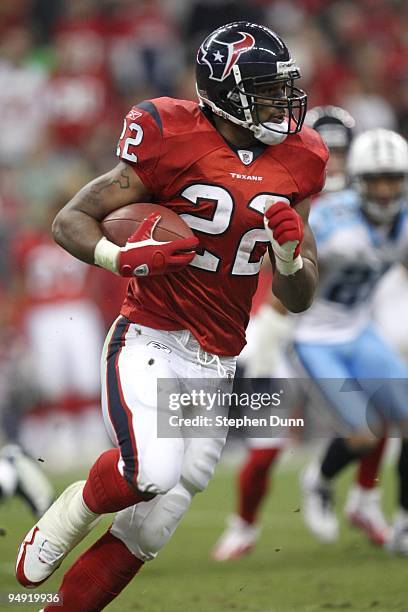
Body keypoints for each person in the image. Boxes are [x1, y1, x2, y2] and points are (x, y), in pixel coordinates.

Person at [15, 22, 327, 610]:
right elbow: (70, 221)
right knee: (150, 469)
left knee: (150, 528)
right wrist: (121, 256)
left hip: (219, 360)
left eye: (283, 89)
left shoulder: (301, 158)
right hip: (150, 335)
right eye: (265, 91)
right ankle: (70, 510)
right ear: (225, 92)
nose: (281, 104)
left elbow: (301, 294)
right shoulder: (169, 132)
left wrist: (288, 256)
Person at [212, 105, 389, 561]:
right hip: (288, 327)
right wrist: (267, 333)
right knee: (269, 444)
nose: (337, 167)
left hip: (343, 326)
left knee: (381, 409)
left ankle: (366, 501)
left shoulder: (372, 206)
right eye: (328, 156)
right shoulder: (290, 195)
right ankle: (244, 526)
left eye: (344, 156)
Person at [294, 128, 408, 553]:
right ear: (359, 180)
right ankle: (319, 478)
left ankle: (404, 523)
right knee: (364, 435)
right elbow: (287, 270)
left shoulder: (404, 220)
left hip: (360, 330)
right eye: (376, 179)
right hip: (315, 335)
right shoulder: (331, 222)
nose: (384, 189)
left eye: (393, 178)